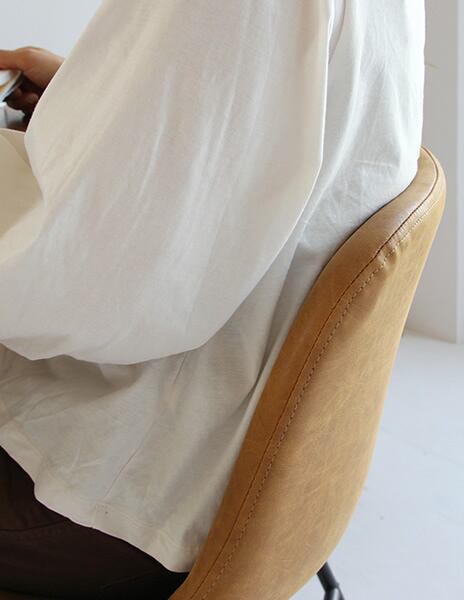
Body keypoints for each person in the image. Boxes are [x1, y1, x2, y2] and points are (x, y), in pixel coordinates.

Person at [0, 1, 425, 597]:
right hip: (227, 444)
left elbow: (95, 297)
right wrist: (97, 99)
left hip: (116, 490)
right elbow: (250, 123)